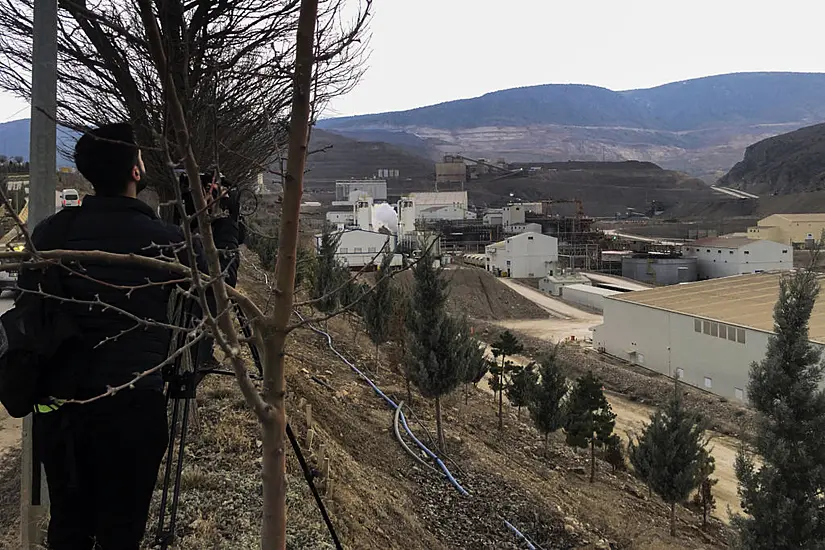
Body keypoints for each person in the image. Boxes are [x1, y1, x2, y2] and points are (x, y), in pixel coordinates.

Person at [24, 122, 206, 550]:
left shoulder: (52, 234)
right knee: (121, 532)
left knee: (68, 527)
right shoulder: (166, 242)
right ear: (136, 173)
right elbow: (210, 286)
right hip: (132, 404)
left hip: (62, 406)